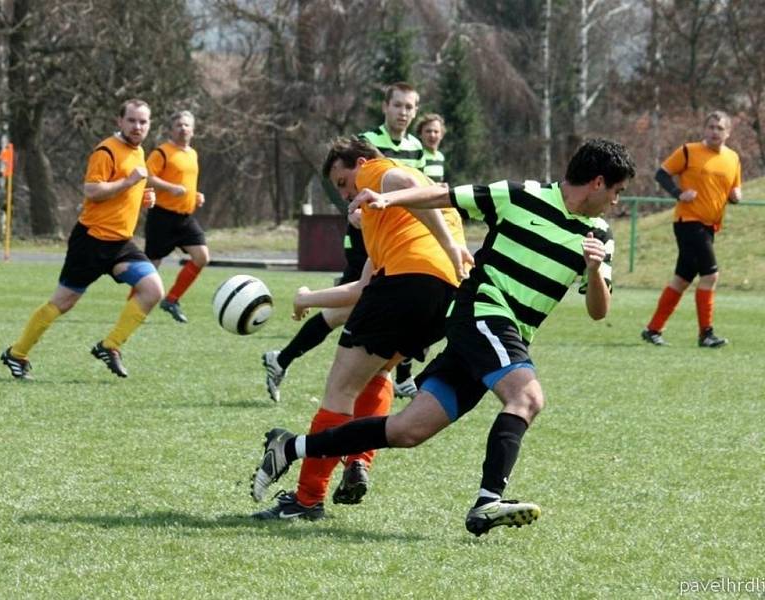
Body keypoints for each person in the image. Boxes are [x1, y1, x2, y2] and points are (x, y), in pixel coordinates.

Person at [250, 138, 636, 536]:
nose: (615, 202)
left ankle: (290, 446)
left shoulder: (600, 235)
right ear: (597, 182)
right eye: (616, 191)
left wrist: (593, 270)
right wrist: (390, 201)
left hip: (506, 335)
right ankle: (488, 501)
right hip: (481, 312)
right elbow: (445, 194)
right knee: (527, 397)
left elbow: (598, 310)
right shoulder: (521, 195)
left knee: (407, 430)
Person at [251, 135, 471, 521]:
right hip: (443, 298)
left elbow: (406, 186)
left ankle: (306, 500)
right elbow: (363, 288)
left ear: (360, 161)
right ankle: (358, 460)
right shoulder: (390, 219)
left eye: (343, 182)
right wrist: (307, 298)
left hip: (409, 285)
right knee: (378, 373)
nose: (346, 193)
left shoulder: (379, 171)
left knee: (339, 390)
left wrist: (451, 244)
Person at [262, 82, 426, 401]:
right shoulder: (367, 144)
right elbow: (342, 185)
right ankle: (379, 378)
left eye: (409, 107)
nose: (403, 112)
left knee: (350, 310)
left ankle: (282, 359)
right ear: (385, 107)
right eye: (398, 105)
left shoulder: (417, 149)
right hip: (365, 232)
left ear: (416, 110)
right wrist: (350, 211)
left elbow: (415, 193)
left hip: (394, 235)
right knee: (358, 303)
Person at [0, 99, 164, 380]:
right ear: (119, 121)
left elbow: (124, 195)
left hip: (120, 244)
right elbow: (92, 190)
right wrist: (128, 183)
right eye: (132, 120)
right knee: (63, 302)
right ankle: (17, 353)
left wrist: (142, 198)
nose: (138, 126)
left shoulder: (139, 152)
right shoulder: (106, 151)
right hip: (91, 242)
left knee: (153, 290)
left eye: (143, 122)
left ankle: (110, 346)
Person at [641, 110, 742, 348]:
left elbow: (734, 190)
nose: (714, 132)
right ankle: (706, 334)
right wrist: (678, 193)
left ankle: (653, 329)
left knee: (682, 279)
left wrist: (735, 195)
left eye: (720, 128)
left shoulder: (733, 158)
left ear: (728, 132)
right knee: (710, 275)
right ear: (704, 129)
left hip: (710, 226)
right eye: (711, 127)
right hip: (688, 222)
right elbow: (661, 174)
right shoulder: (689, 151)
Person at [144, 110, 208, 324]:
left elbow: (186, 182)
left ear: (193, 129)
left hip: (185, 218)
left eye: (187, 125)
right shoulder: (162, 152)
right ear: (171, 130)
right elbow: (147, 178)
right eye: (179, 125)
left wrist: (195, 196)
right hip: (162, 216)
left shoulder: (192, 154)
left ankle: (171, 299)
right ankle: (135, 306)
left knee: (202, 257)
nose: (183, 129)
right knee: (150, 267)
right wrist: (170, 188)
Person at [416, 113, 446, 184]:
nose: (432, 135)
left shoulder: (440, 157)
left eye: (436, 132)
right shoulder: (417, 155)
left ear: (441, 135)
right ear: (420, 134)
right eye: (428, 131)